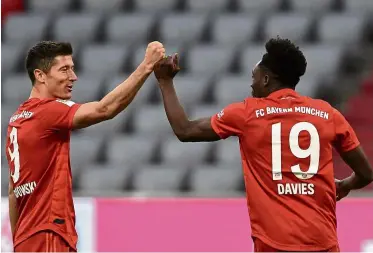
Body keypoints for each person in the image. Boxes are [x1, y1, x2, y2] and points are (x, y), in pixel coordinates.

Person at [153, 37, 373, 252]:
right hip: (323, 244)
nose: (251, 83)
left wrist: (165, 81)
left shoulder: (247, 113)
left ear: (266, 79)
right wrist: (345, 185)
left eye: (254, 76)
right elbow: (366, 174)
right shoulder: (327, 114)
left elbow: (185, 130)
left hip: (274, 246)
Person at [6, 40, 165, 252]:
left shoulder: (17, 120)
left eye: (72, 68)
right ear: (40, 75)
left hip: (28, 238)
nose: (73, 77)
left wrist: (19, 241)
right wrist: (146, 66)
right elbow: (104, 109)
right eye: (64, 69)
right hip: (49, 233)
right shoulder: (47, 111)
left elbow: (12, 191)